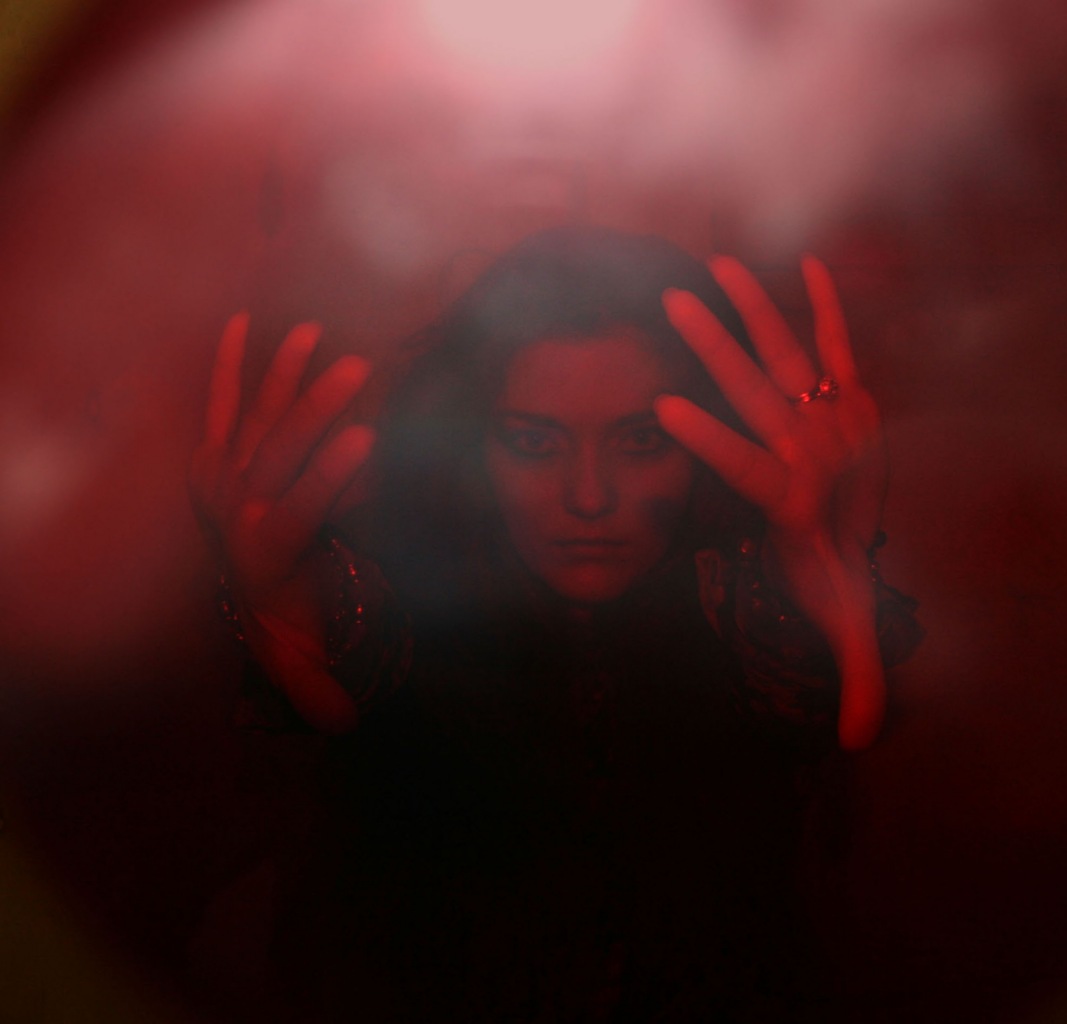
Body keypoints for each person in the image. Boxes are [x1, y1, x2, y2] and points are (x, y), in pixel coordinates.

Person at [188, 226, 920, 1022]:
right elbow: (366, 644)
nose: (588, 497)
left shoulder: (745, 598)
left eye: (641, 441)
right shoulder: (414, 591)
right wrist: (283, 613)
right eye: (534, 441)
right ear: (473, 441)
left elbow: (789, 680)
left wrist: (824, 588)